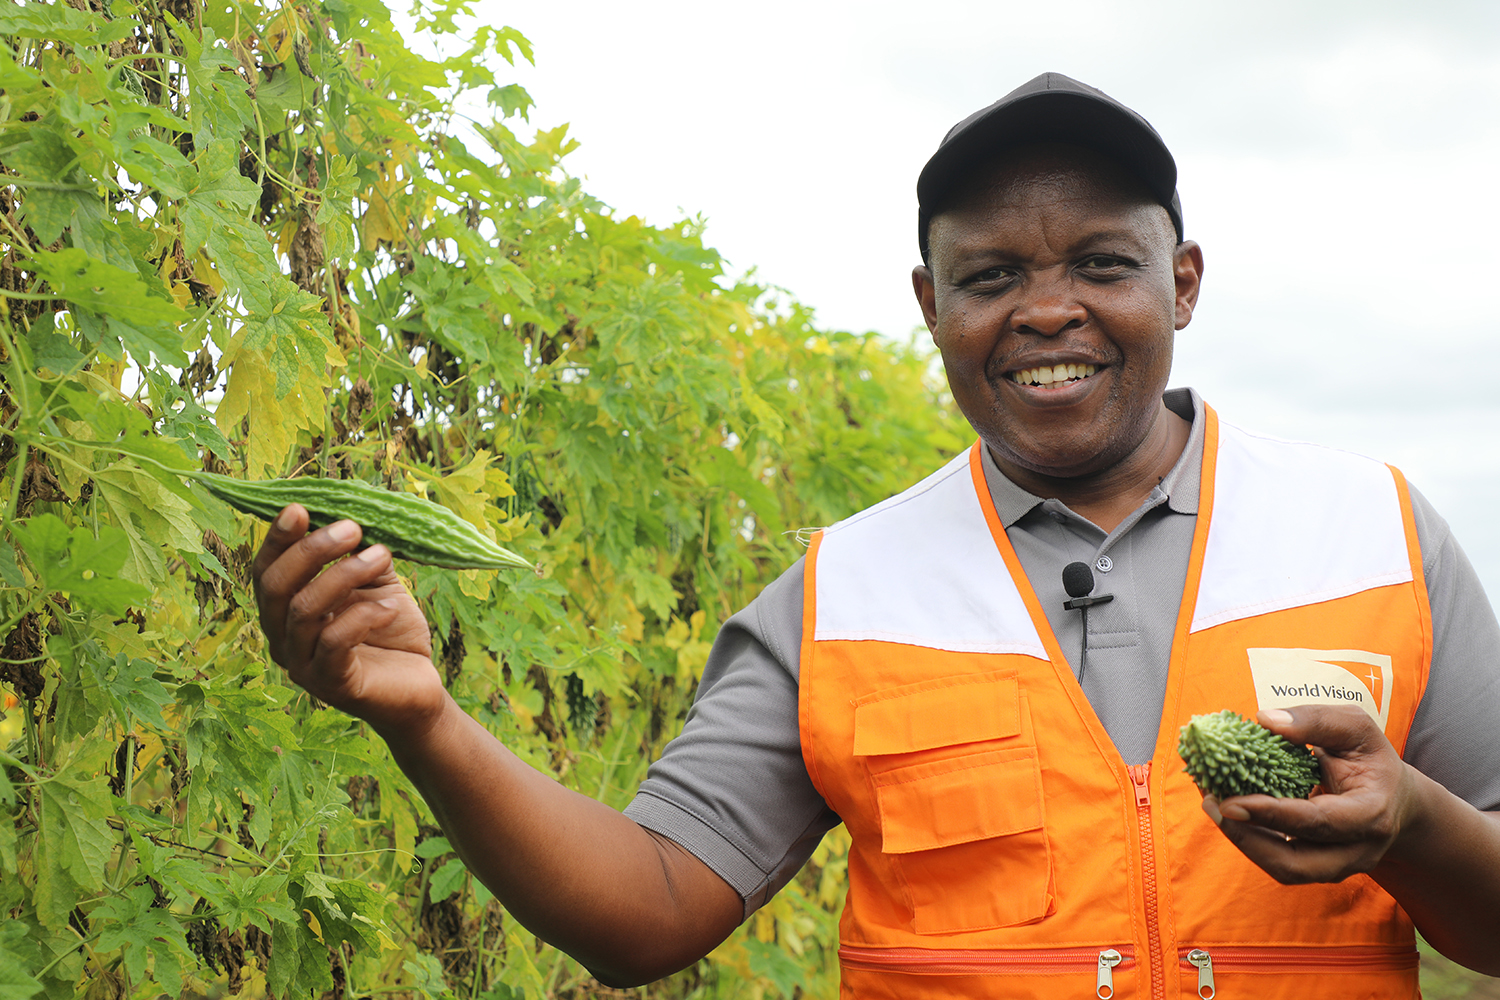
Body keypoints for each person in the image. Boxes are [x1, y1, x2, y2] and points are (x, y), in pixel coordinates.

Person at [252, 73, 1500, 997]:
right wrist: (423, 716)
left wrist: (1414, 822)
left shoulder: (1375, 533)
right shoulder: (843, 592)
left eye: (1104, 263)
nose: (1048, 310)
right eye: (992, 275)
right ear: (931, 306)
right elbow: (647, 911)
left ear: (1182, 282)